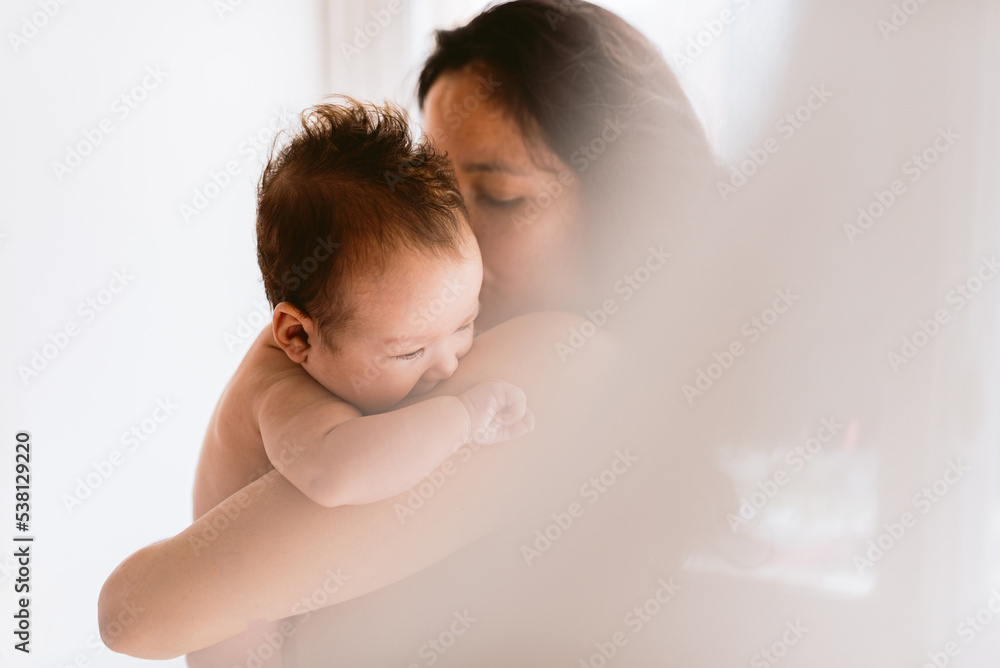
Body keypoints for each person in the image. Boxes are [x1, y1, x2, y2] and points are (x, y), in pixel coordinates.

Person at [98, 1, 722, 662]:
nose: (447, 248)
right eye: (433, 198)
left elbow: (140, 612)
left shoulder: (561, 364)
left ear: (625, 205)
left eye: (502, 197)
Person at [192, 99, 533, 521]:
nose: (447, 365)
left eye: (465, 324)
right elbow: (334, 475)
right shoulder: (282, 390)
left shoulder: (352, 339)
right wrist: (463, 419)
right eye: (409, 352)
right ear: (298, 336)